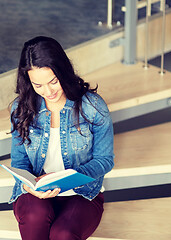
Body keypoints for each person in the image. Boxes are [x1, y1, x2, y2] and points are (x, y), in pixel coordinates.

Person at [9, 36, 114, 240]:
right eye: (38, 85)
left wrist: (72, 175)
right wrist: (28, 186)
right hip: (36, 194)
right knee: (34, 216)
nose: (48, 92)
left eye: (53, 82)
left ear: (63, 72)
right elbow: (19, 161)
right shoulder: (21, 109)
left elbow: (105, 160)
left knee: (63, 234)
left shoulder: (92, 107)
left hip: (82, 193)